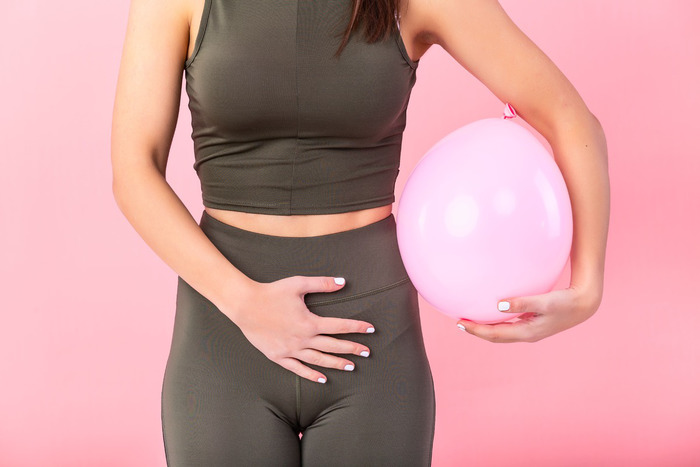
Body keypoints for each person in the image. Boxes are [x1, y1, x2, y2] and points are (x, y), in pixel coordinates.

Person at [111, 0, 609, 465]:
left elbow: (571, 118)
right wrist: (242, 302)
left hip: (374, 342)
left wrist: (587, 288)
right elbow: (134, 171)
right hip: (223, 337)